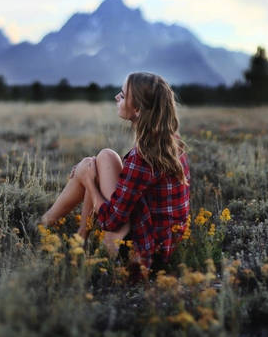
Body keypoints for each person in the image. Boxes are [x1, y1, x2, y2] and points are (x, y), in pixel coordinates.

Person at [39, 71, 190, 270]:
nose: (116, 97)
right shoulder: (170, 143)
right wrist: (92, 173)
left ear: (137, 108)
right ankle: (78, 237)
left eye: (123, 94)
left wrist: (89, 182)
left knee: (91, 168)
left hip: (142, 257)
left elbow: (111, 221)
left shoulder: (144, 157)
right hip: (164, 244)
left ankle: (46, 227)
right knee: (103, 158)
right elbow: (128, 185)